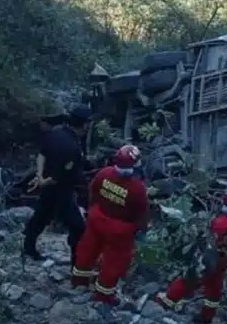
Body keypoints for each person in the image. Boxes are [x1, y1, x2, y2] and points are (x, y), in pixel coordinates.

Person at [154, 190, 227, 324]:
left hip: (212, 257)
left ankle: (166, 301)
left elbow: (209, 236)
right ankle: (207, 317)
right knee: (214, 289)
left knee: (190, 279)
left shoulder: (221, 223)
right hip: (224, 260)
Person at [71, 144, 149, 305]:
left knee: (87, 249)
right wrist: (142, 230)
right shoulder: (137, 187)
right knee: (115, 261)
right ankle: (104, 295)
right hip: (120, 229)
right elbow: (141, 213)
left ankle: (79, 281)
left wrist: (92, 210)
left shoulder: (104, 173)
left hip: (97, 219)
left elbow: (93, 191)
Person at [22, 105, 92, 262]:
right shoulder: (73, 148)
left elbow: (41, 155)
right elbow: (57, 177)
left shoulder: (56, 133)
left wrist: (39, 176)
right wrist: (44, 182)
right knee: (78, 226)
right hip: (61, 190)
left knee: (41, 216)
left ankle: (28, 247)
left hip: (50, 187)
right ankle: (77, 263)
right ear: (85, 124)